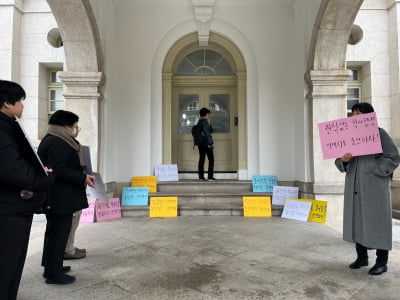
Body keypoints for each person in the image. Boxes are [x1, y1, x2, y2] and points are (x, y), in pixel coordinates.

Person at [0, 80, 53, 299]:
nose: (22, 106)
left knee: (12, 266)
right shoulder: (2, 129)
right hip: (8, 209)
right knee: (6, 265)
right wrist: (44, 179)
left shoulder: (8, 126)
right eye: (20, 100)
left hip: (15, 206)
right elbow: (12, 169)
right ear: (6, 103)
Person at [335, 102, 400, 275]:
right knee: (357, 221)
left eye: (360, 113)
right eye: (354, 113)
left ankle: (382, 261)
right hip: (354, 187)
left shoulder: (379, 134)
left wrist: (374, 167)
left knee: (378, 222)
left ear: (369, 116)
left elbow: (393, 157)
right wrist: (345, 161)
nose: (355, 116)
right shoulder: (347, 136)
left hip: (375, 187)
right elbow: (338, 162)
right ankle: (362, 257)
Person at [38, 110, 95, 285]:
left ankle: (52, 266)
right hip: (60, 196)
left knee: (55, 233)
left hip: (59, 195)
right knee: (58, 234)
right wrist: (82, 177)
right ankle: (53, 274)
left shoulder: (55, 139)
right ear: (65, 125)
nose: (75, 129)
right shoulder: (57, 142)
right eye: (74, 125)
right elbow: (59, 169)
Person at [197, 107, 215, 181]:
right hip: (206, 144)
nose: (209, 116)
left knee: (202, 159)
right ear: (206, 114)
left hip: (200, 144)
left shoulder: (199, 122)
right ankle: (210, 177)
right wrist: (210, 143)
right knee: (211, 159)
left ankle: (201, 176)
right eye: (209, 114)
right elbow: (207, 133)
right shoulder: (205, 122)